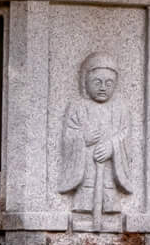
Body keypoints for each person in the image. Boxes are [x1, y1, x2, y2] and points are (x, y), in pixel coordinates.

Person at [56, 52, 136, 226]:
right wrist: (82, 138)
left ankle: (109, 216)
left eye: (109, 83)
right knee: (85, 198)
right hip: (86, 170)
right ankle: (83, 217)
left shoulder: (120, 108)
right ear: (86, 82)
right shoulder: (78, 107)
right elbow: (68, 137)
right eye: (97, 82)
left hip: (108, 171)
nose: (103, 87)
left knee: (109, 199)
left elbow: (126, 135)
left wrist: (112, 147)